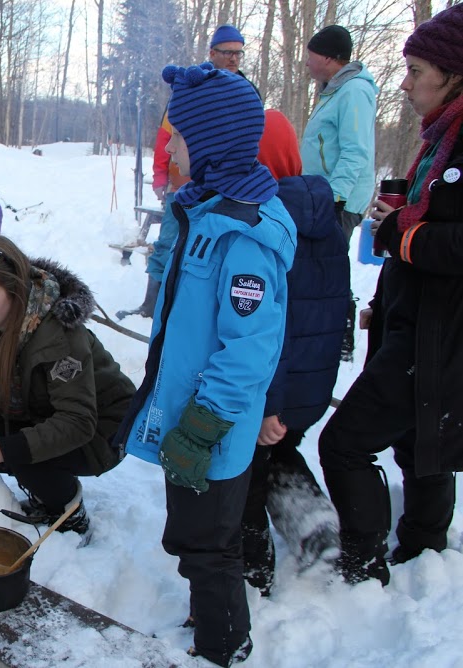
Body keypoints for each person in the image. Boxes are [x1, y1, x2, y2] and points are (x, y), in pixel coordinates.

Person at [115, 63, 296, 667]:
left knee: (208, 543)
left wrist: (202, 422)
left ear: (213, 142)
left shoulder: (243, 236)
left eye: (182, 136)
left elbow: (248, 350)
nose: (173, 146)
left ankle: (224, 644)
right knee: (195, 532)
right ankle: (207, 613)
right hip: (188, 411)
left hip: (211, 423)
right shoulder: (204, 208)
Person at [318, 3, 463, 587]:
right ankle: (425, 544)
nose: (404, 84)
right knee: (418, 438)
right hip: (417, 321)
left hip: (439, 335)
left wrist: (403, 235)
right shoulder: (444, 134)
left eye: (415, 72)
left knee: (345, 443)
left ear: (453, 74)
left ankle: (364, 558)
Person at [0, 234, 136, 536]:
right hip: (37, 409)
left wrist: (2, 448)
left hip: (103, 429)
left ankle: (68, 510)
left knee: (21, 452)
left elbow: (78, 421)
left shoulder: (58, 332)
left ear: (15, 291)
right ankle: (37, 477)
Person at [241, 110, 350, 596]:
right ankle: (313, 525)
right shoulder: (325, 220)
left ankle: (251, 567)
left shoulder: (266, 223)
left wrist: (269, 404)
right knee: (280, 447)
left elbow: (272, 327)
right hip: (310, 380)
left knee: (247, 468)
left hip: (274, 385)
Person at [131, 24, 258, 318]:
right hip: (182, 185)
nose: (234, 59)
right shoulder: (190, 88)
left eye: (238, 53)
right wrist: (161, 175)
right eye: (227, 52)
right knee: (168, 243)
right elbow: (166, 137)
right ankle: (152, 304)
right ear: (213, 53)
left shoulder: (246, 92)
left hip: (225, 189)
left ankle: (189, 308)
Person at [301, 25, 376, 363]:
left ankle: (340, 335)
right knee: (319, 264)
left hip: (338, 201)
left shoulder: (354, 91)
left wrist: (335, 197)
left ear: (329, 58)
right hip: (323, 196)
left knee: (328, 265)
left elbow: (356, 151)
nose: (306, 62)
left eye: (311, 56)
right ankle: (320, 330)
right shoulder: (332, 91)